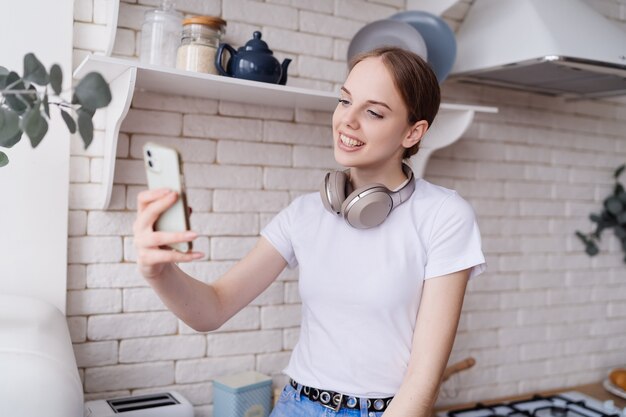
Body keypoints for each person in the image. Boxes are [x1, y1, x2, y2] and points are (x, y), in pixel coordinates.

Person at [133, 46, 486, 417]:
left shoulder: (444, 215)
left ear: (413, 133)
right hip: (295, 405)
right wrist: (159, 271)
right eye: (344, 101)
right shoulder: (304, 213)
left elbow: (422, 383)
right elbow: (211, 310)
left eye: (373, 112)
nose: (347, 120)